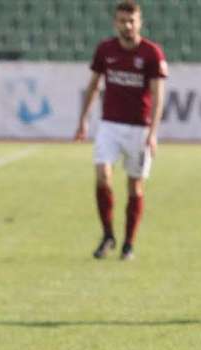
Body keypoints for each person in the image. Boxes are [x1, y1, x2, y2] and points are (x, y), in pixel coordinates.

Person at [74, 0, 167, 260]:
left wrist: (154, 132)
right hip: (109, 125)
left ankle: (128, 244)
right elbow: (93, 86)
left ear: (140, 22)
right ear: (116, 22)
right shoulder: (105, 50)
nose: (127, 25)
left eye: (131, 21)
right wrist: (83, 119)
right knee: (103, 176)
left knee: (135, 187)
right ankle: (107, 235)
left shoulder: (152, 53)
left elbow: (158, 95)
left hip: (139, 128)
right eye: (122, 21)